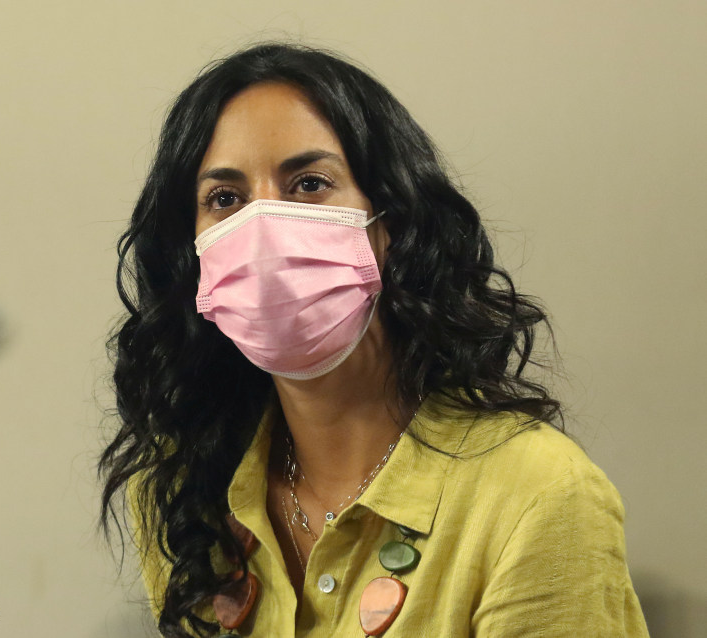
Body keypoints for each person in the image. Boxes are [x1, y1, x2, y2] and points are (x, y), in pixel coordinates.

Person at [99, 43, 648, 637]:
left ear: (391, 222)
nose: (261, 231)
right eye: (225, 199)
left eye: (309, 183)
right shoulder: (183, 494)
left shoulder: (538, 496)